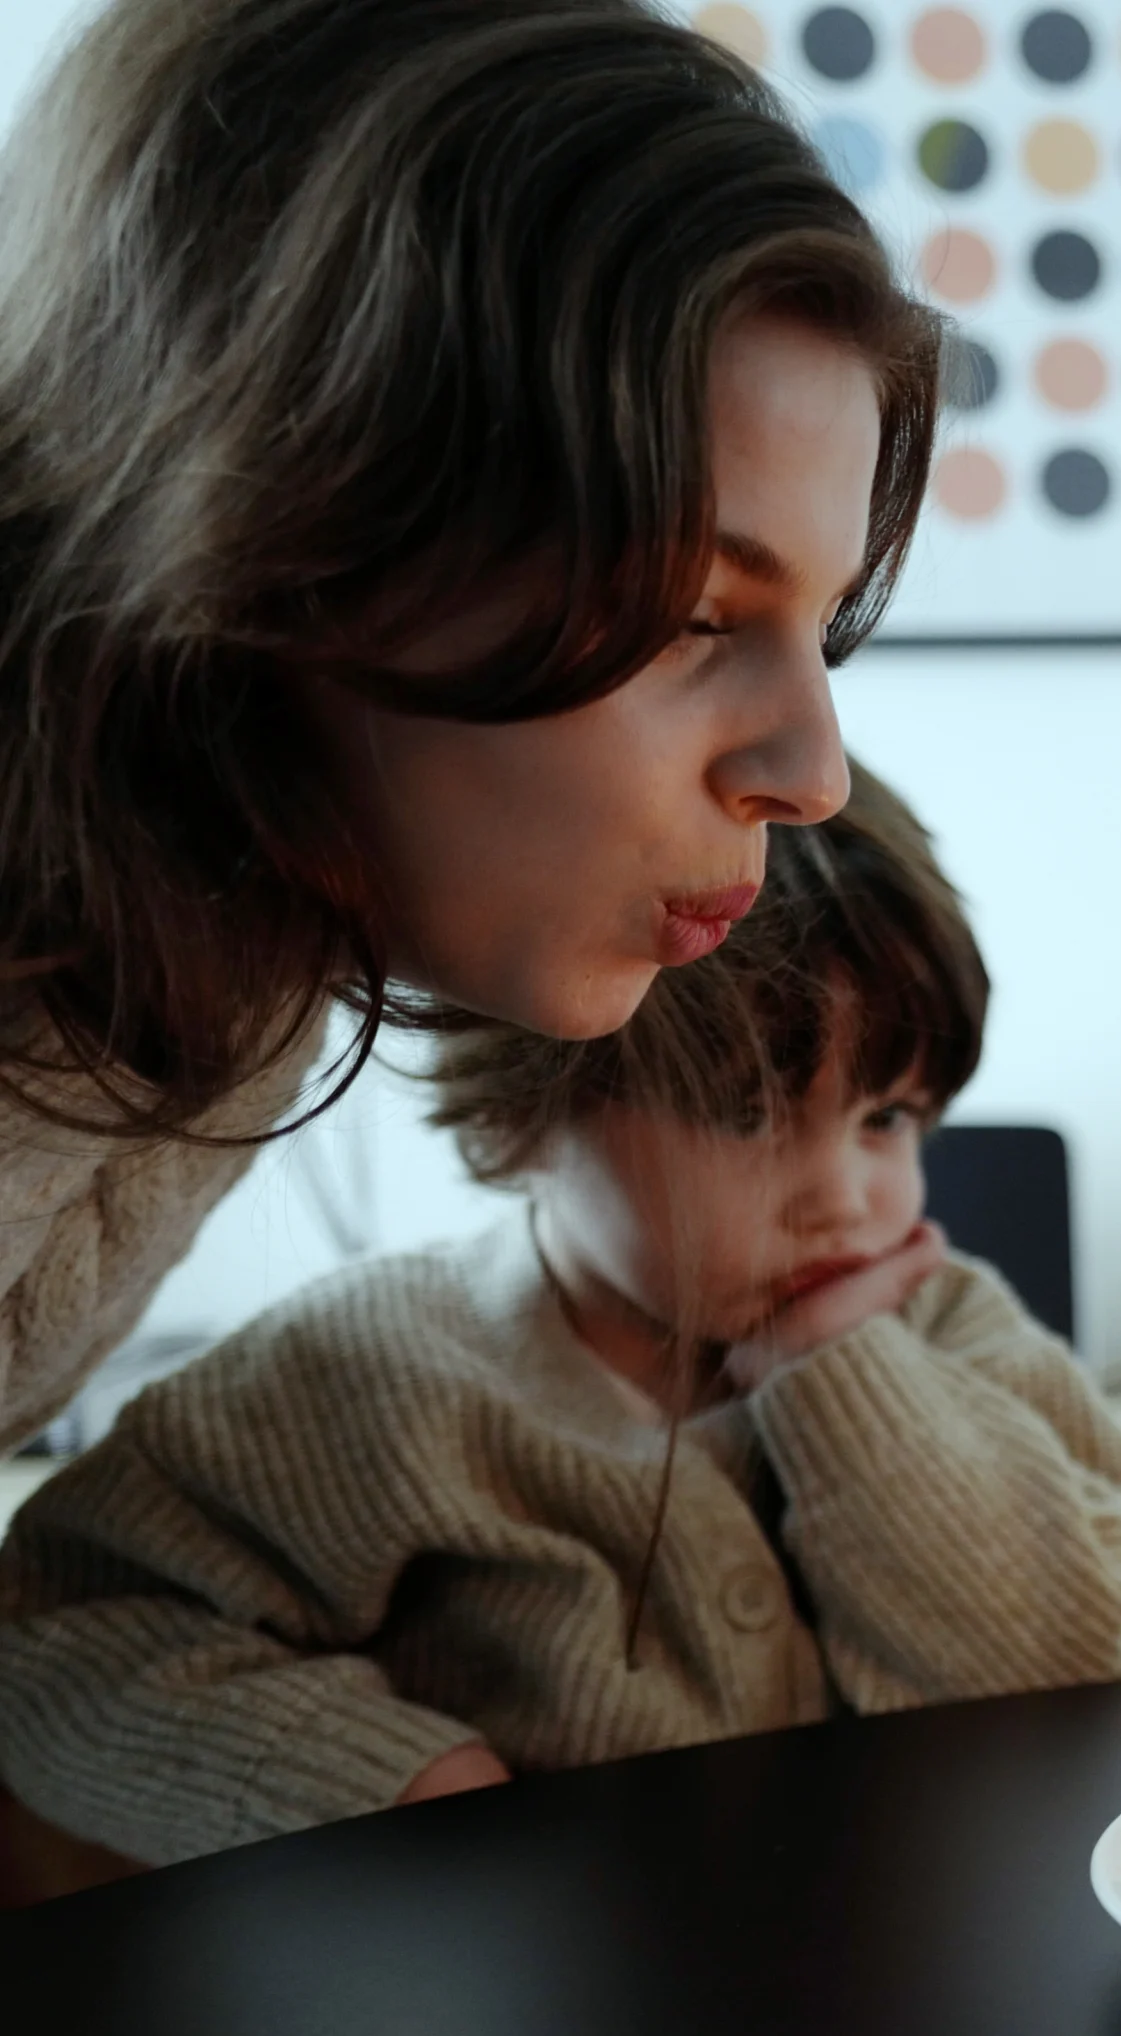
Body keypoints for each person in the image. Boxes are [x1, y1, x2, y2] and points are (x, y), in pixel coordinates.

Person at [0, 0, 939, 1451]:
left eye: (818, 630)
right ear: (288, 515)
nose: (811, 778)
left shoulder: (234, 961)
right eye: (693, 613)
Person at [0, 766, 1121, 1875]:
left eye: (890, 1116)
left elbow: (1061, 1668)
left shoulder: (943, 1323)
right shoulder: (369, 1371)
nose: (849, 1198)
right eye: (748, 1112)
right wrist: (383, 1781)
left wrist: (843, 1370)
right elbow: (59, 1620)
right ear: (528, 1114)